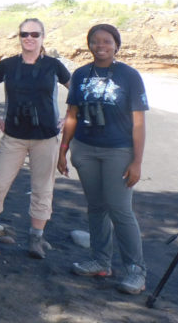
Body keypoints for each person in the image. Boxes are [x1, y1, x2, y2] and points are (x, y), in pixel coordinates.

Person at [57, 24, 149, 295]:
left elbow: (139, 122)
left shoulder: (129, 76)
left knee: (120, 209)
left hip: (118, 151)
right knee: (96, 207)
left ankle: (136, 271)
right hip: (85, 149)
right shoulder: (81, 74)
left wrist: (137, 161)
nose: (101, 45)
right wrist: (63, 150)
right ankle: (100, 261)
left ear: (116, 45)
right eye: (95, 41)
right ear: (89, 45)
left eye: (107, 41)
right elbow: (72, 115)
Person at [0, 18, 70, 259]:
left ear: (43, 37)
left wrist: (70, 117)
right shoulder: (7, 65)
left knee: (42, 188)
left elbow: (77, 92)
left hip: (46, 137)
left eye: (35, 34)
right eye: (24, 34)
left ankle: (36, 238)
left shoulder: (54, 65)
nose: (29, 38)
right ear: (19, 37)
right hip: (14, 137)